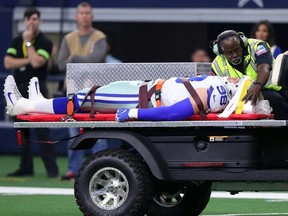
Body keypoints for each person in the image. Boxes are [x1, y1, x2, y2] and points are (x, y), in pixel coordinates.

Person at [4, 73, 272, 123]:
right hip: (145, 89)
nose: (239, 78)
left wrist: (134, 114)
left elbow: (173, 114)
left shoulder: (217, 94)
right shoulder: (223, 87)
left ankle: (23, 105)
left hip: (140, 98)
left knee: (85, 99)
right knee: (88, 96)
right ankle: (37, 101)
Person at [57, 2, 112, 180]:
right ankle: (73, 170)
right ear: (76, 16)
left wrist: (73, 58)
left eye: (87, 13)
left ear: (92, 17)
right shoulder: (68, 38)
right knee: (73, 130)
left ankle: (104, 167)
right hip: (72, 90)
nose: (85, 16)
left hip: (94, 91)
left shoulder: (99, 37)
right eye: (81, 13)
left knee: (98, 130)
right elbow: (59, 64)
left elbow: (96, 61)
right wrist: (83, 62)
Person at [3, 7, 59, 177]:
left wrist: (28, 44)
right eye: (28, 19)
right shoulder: (15, 40)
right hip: (18, 88)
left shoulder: (45, 42)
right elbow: (7, 63)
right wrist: (26, 59)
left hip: (36, 89)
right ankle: (25, 167)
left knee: (42, 129)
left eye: (34, 19)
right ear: (24, 22)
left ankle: (51, 169)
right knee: (21, 129)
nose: (31, 22)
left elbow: (36, 63)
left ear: (38, 21)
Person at [210, 30, 288, 120]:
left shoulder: (257, 46)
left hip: (275, 86)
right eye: (229, 53)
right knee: (276, 100)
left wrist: (257, 86)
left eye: (237, 50)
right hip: (250, 96)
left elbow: (264, 67)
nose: (234, 55)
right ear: (221, 52)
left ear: (242, 44)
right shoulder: (217, 64)